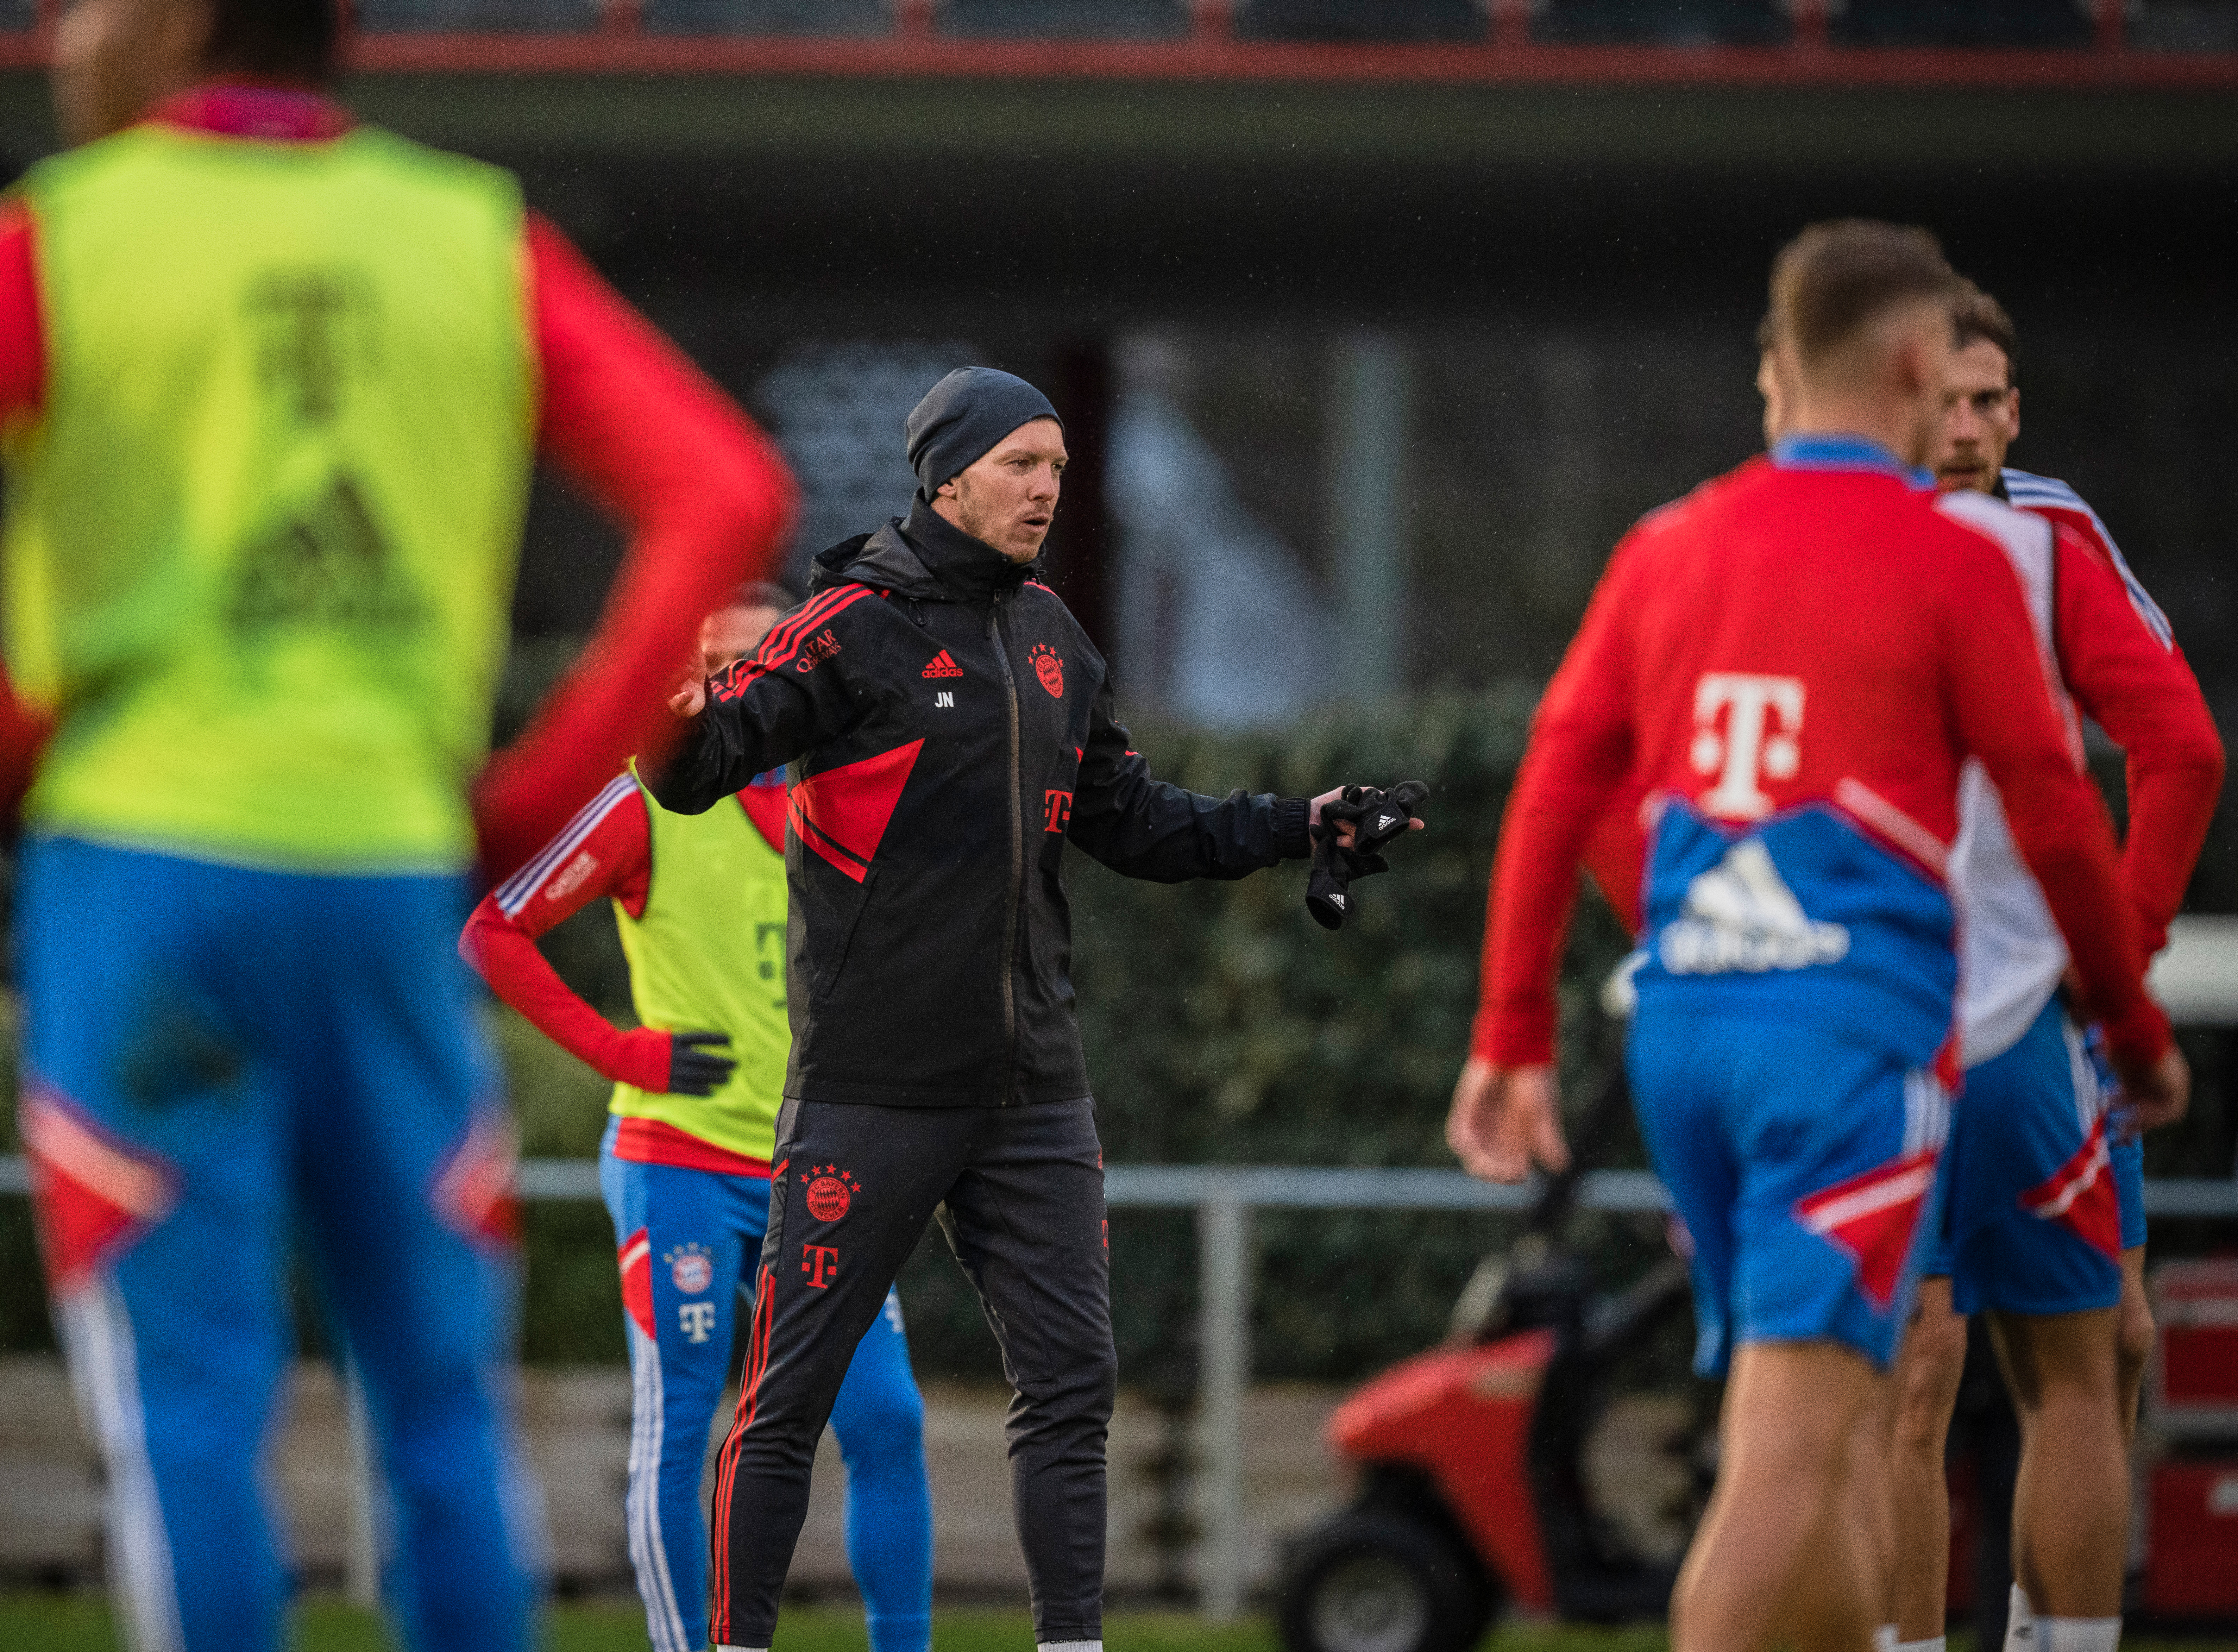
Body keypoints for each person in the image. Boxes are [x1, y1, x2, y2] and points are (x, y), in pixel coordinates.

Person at [0, 0, 792, 1646]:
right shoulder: (473, 233)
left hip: (139, 862)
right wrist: (534, 781)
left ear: (184, 20)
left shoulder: (60, 232)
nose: (59, 28)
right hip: (386, 865)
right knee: (435, 1405)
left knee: (189, 1411)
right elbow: (724, 491)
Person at [1447, 221, 2187, 1652]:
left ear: (1780, 372)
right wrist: (2132, 1021)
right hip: (1843, 1040)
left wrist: (1513, 1035)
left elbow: (1557, 778)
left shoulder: (1669, 542)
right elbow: (2054, 802)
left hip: (1687, 1036)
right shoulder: (1960, 554)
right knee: (1802, 1454)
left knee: (1832, 1434)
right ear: (1918, 367)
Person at [646, 365, 1418, 1652]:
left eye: (1059, 468)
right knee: (788, 1399)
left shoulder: (1056, 638)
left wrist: (1301, 823)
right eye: (1021, 464)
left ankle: (1072, 1645)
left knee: (1072, 1392)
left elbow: (1141, 822)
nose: (1047, 489)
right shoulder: (847, 624)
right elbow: (711, 759)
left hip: (1033, 1096)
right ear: (946, 474)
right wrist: (662, 725)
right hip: (867, 1091)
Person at [467, 584, 936, 1652]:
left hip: (819, 1171)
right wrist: (625, 1053)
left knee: (885, 1422)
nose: (736, 684)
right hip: (675, 1164)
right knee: (684, 1425)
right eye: (716, 663)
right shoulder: (645, 797)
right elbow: (494, 929)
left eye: (757, 662)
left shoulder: (849, 806)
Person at [1881, 288, 2221, 1652]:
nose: (1967, 429)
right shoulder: (1828, 528)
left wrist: (2119, 949)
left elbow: (2180, 743)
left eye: (1991, 401)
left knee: (2112, 1343)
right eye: (1942, 400)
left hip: (2043, 1012)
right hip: (1897, 1017)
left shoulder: (2055, 529)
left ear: (2016, 410)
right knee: (1925, 1368)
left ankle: (2045, 1632)